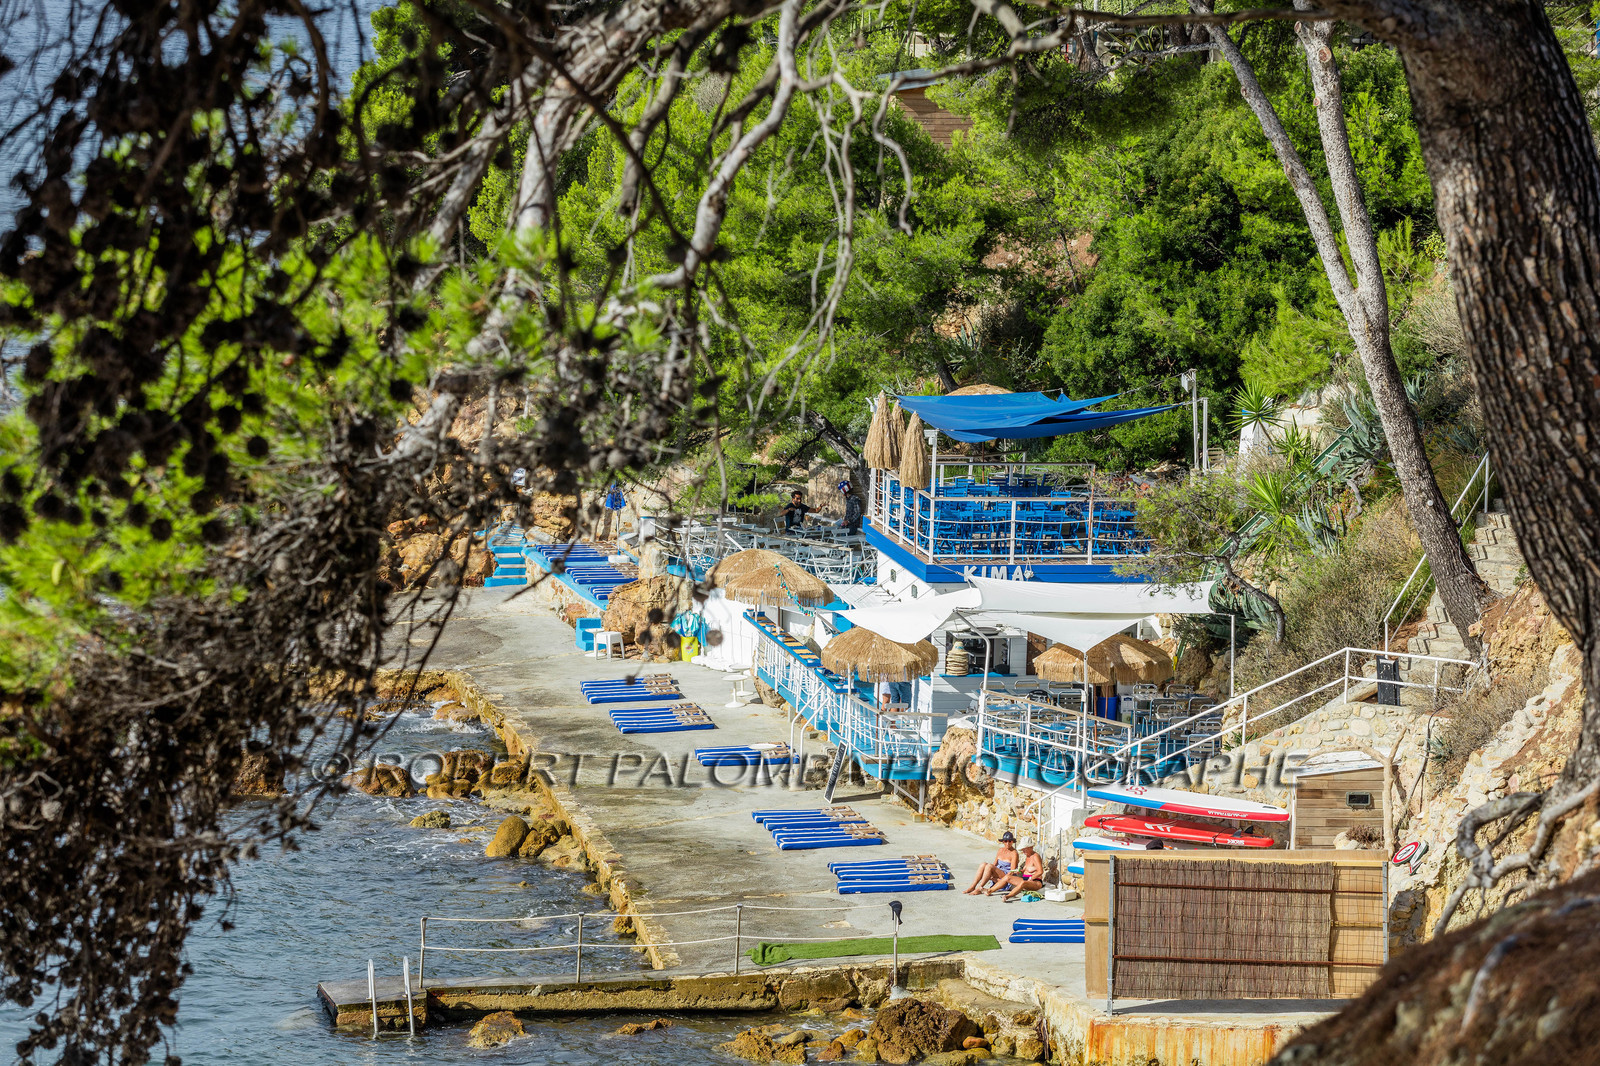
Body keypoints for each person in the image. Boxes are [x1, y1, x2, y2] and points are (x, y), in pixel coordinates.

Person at [988, 837, 1045, 901]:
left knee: (1023, 883)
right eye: (1023, 849)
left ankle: (1007, 896)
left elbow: (1040, 871)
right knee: (1007, 877)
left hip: (1035, 882)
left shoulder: (1035, 856)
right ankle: (989, 891)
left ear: (1031, 847)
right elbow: (1027, 870)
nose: (1023, 851)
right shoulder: (1028, 856)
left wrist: (1031, 878)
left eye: (1025, 849)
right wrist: (1020, 871)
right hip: (1026, 879)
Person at [964, 830, 1019, 895]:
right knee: (983, 864)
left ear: (1012, 841)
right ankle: (972, 886)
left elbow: (1012, 872)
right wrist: (989, 874)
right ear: (1003, 841)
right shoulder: (1000, 850)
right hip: (999, 872)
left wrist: (1002, 881)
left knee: (989, 866)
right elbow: (994, 864)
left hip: (1006, 876)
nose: (1007, 843)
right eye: (1005, 841)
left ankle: (979, 888)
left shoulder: (1014, 853)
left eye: (1010, 841)